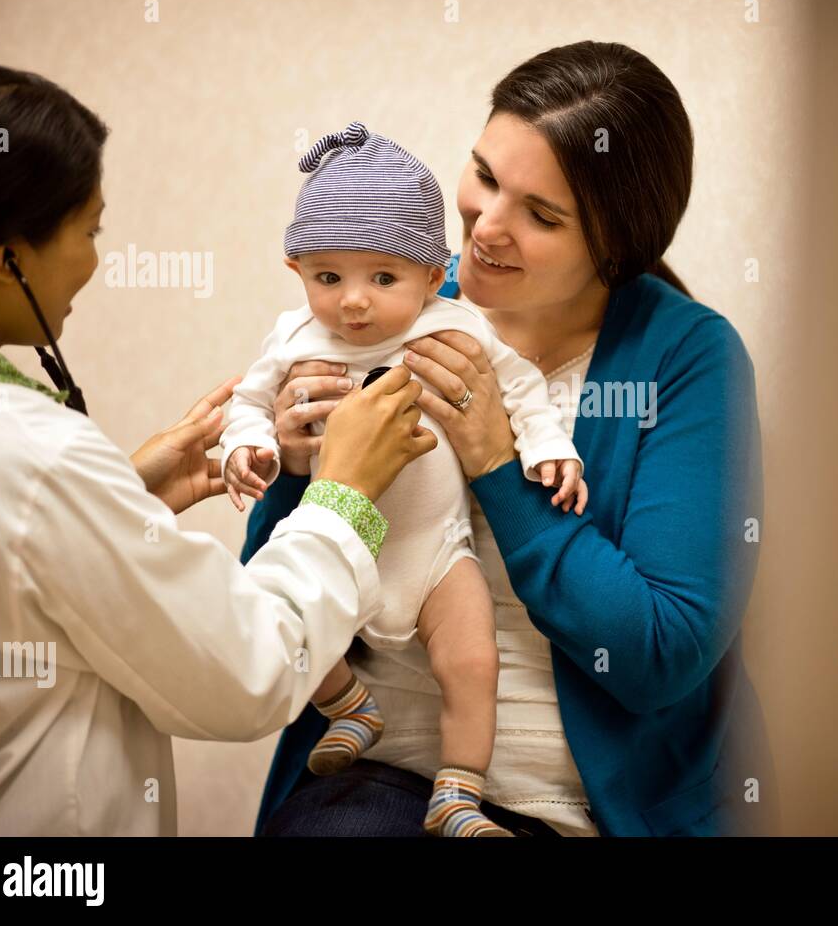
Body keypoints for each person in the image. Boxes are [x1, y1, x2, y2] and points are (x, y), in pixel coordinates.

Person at [251, 41, 777, 837]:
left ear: (617, 248)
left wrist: (498, 460)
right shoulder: (388, 300)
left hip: (583, 813)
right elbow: (269, 605)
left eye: (542, 215)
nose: (485, 228)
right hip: (374, 775)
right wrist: (292, 470)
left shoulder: (685, 358)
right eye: (486, 176)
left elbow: (660, 651)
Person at [0, 62, 436, 835]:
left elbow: (0, 575)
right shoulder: (35, 460)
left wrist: (120, 502)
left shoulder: (14, 454)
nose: (95, 259)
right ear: (9, 260)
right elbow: (244, 673)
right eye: (90, 229)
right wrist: (341, 495)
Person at [220, 120, 587, 836]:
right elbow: (247, 402)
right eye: (328, 277)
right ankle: (350, 706)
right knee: (286, 611)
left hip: (436, 553)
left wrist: (548, 446)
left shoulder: (454, 326)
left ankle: (457, 792)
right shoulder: (295, 338)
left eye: (382, 278)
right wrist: (256, 449)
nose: (353, 301)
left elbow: (520, 387)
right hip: (339, 545)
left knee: (472, 659)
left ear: (429, 273)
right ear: (298, 271)